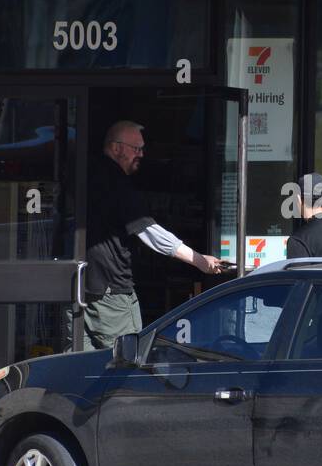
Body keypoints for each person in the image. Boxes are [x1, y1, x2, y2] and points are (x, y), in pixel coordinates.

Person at [82, 120, 222, 350]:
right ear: (116, 148)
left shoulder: (86, 175)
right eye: (136, 149)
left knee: (80, 362)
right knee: (125, 358)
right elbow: (148, 231)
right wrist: (198, 259)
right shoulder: (117, 184)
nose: (141, 154)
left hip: (80, 288)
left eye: (142, 149)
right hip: (110, 290)